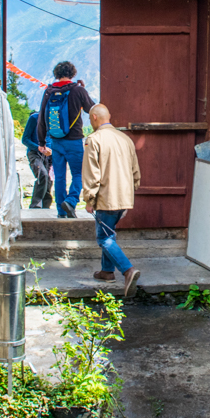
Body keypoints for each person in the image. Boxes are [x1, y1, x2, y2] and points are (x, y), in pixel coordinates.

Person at [81, 103, 142, 297]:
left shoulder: (94, 140)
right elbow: (135, 171)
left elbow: (92, 174)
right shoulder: (125, 139)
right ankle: (107, 272)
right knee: (109, 231)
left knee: (104, 238)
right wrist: (132, 189)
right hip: (124, 196)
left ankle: (127, 270)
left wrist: (89, 199)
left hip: (107, 197)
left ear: (94, 118)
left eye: (90, 119)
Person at [36, 61, 95, 219]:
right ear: (73, 73)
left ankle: (61, 211)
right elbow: (92, 109)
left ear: (56, 74)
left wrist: (42, 142)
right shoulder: (78, 90)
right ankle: (71, 200)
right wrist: (83, 90)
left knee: (60, 176)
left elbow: (42, 117)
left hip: (55, 141)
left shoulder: (49, 91)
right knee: (78, 174)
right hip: (74, 140)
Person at [21, 110, 53, 209]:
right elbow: (25, 139)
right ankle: (35, 206)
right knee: (42, 174)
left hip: (50, 155)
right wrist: (38, 147)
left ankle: (46, 207)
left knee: (49, 181)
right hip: (35, 153)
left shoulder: (56, 120)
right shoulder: (34, 118)